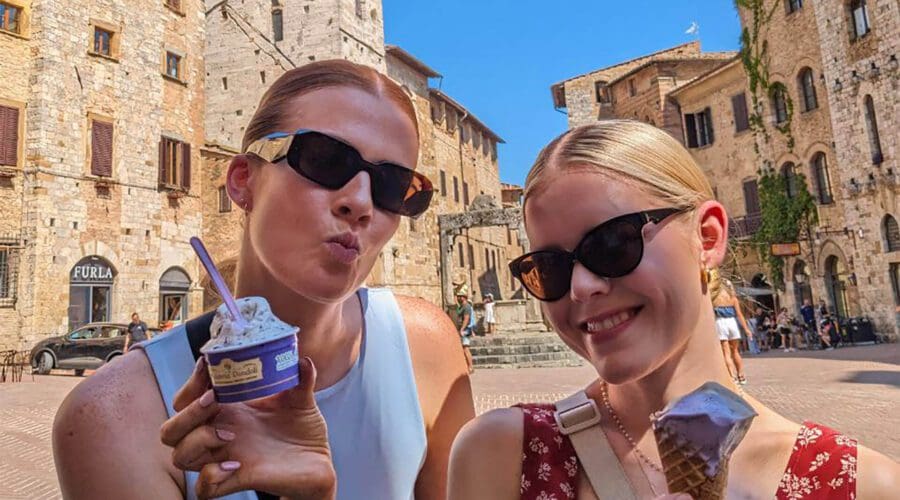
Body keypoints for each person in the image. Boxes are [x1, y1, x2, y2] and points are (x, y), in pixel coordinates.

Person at [53, 60, 475, 500]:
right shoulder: (113, 415)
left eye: (392, 185)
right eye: (325, 160)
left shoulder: (426, 347)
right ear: (242, 181)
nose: (360, 202)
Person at [448, 120, 899, 499]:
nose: (582, 287)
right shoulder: (502, 455)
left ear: (707, 237)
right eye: (548, 267)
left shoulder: (860, 484)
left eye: (613, 243)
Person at [712, 279, 753, 384]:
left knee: (726, 352)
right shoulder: (733, 299)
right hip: (732, 323)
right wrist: (747, 329)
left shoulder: (714, 299)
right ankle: (741, 375)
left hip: (720, 322)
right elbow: (739, 315)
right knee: (735, 351)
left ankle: (732, 376)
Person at [455, 284, 475, 374]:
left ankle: (471, 367)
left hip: (465, 330)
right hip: (463, 330)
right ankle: (467, 366)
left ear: (464, 297)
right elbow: (458, 312)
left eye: (459, 297)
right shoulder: (462, 307)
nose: (458, 298)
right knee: (463, 349)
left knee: (466, 348)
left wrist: (462, 329)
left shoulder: (467, 307)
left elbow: (466, 318)